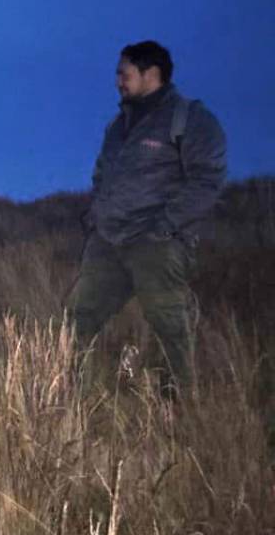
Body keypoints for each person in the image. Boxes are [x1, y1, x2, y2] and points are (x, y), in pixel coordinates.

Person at [68, 40, 227, 394]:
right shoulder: (118, 126)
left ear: (150, 74)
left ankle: (186, 408)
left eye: (123, 74)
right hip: (108, 242)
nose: (117, 82)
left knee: (170, 329)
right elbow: (102, 175)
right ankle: (68, 399)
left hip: (156, 246)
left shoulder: (190, 120)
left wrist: (166, 227)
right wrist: (95, 216)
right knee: (78, 318)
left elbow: (207, 181)